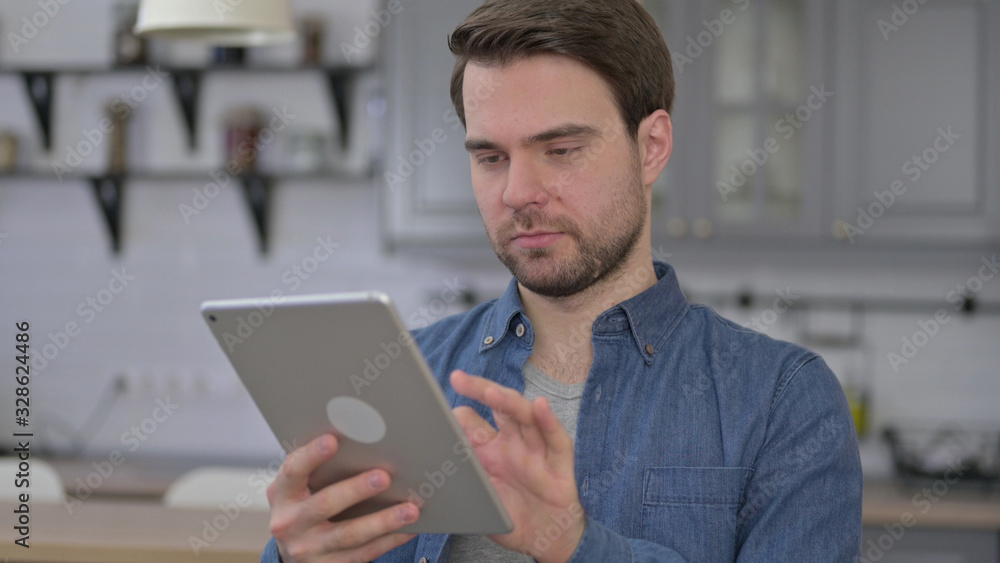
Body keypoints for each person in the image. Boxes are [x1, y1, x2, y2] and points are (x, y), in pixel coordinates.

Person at [261, 0, 862, 561]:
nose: (517, 192)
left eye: (562, 149)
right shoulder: (395, 376)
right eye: (491, 157)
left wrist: (576, 545)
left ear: (651, 147)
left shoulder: (783, 402)